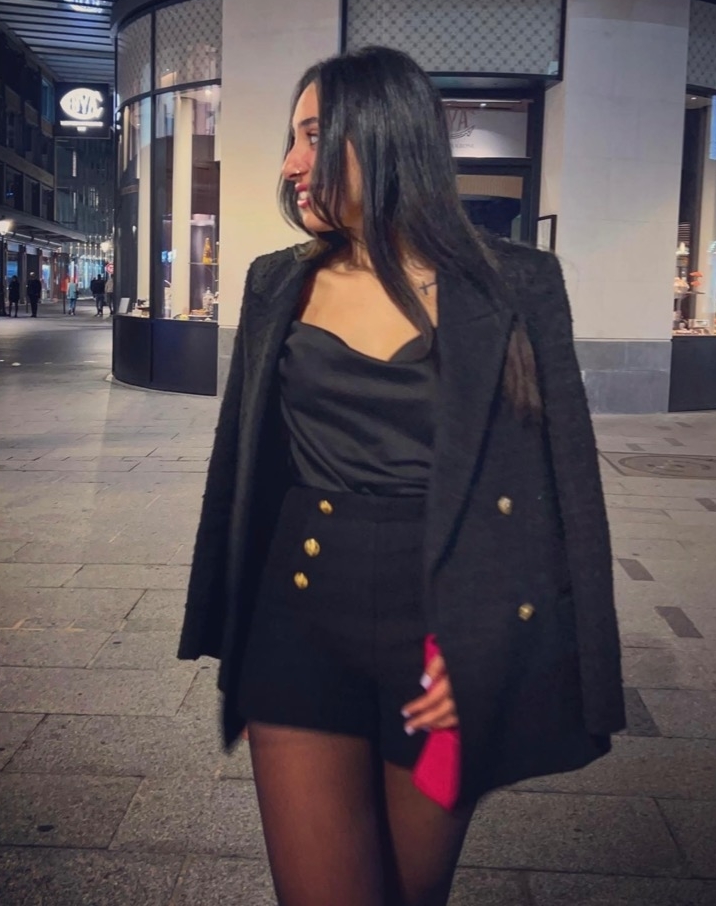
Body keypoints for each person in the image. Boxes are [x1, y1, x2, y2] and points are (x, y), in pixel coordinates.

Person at [178, 47, 625, 906]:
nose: (290, 163)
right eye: (291, 138)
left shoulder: (515, 284)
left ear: (382, 135)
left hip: (441, 639)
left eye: (314, 135)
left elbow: (561, 495)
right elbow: (243, 468)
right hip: (297, 621)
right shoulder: (277, 282)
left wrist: (489, 648)